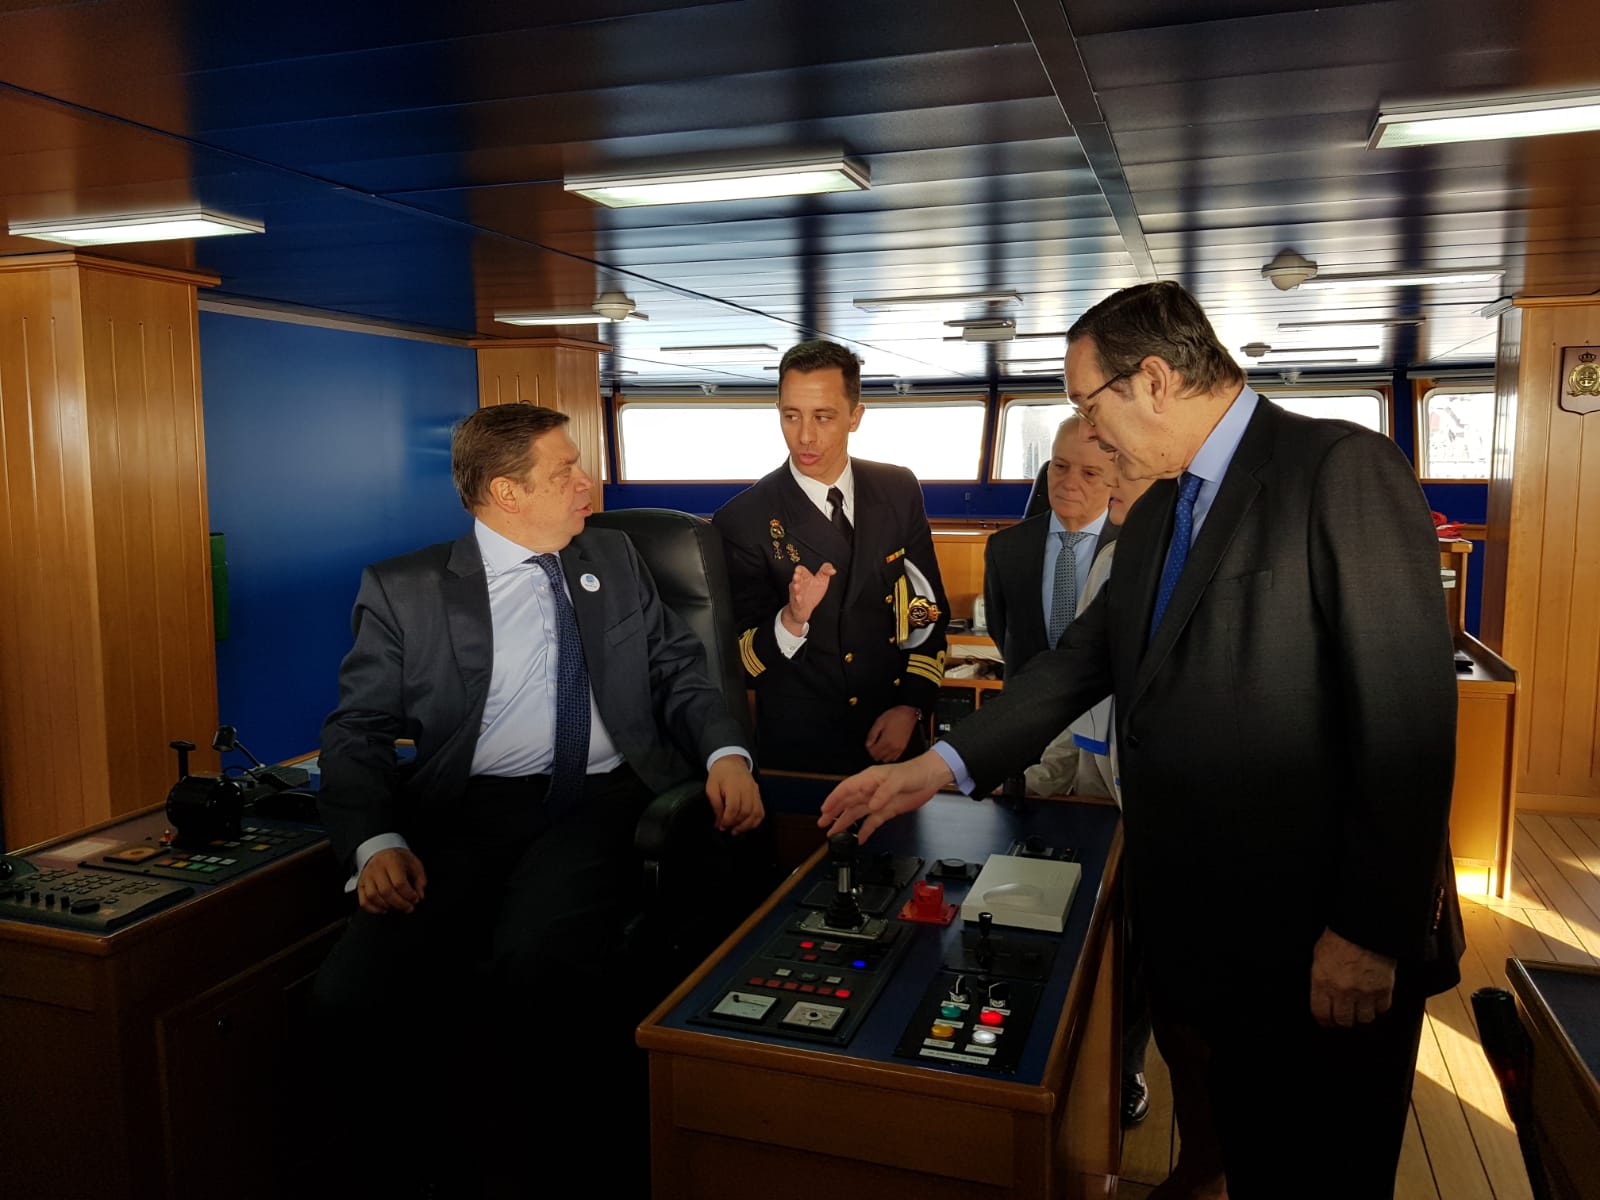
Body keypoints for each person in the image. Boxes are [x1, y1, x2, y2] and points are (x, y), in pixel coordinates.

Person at [820, 281, 1464, 1200]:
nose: (1089, 433)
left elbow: (1406, 719)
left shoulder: (1339, 468)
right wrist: (937, 766)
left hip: (1326, 932)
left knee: (1326, 1175)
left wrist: (1370, 931)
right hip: (1212, 925)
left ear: (1155, 380)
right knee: (1250, 1149)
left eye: (1090, 405)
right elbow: (1078, 663)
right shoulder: (1162, 509)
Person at [311, 404, 763, 1195]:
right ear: (506, 493)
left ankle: (541, 1161)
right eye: (566, 472)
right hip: (465, 813)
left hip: (598, 800)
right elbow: (358, 731)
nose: (588, 484)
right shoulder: (406, 589)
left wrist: (727, 753)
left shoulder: (613, 558)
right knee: (350, 992)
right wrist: (375, 841)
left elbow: (679, 673)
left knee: (536, 962)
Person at [713, 338, 950, 774]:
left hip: (895, 734)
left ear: (855, 416)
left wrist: (911, 706)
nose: (805, 435)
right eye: (791, 416)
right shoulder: (743, 519)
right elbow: (739, 659)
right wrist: (790, 620)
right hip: (804, 748)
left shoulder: (898, 489)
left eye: (823, 417)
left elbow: (926, 610)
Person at [981, 414, 1115, 795]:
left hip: (1104, 743)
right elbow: (1001, 630)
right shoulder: (1006, 548)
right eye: (1060, 466)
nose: (1069, 482)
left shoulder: (1137, 547)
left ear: (1116, 477)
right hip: (1025, 733)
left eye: (1090, 473)